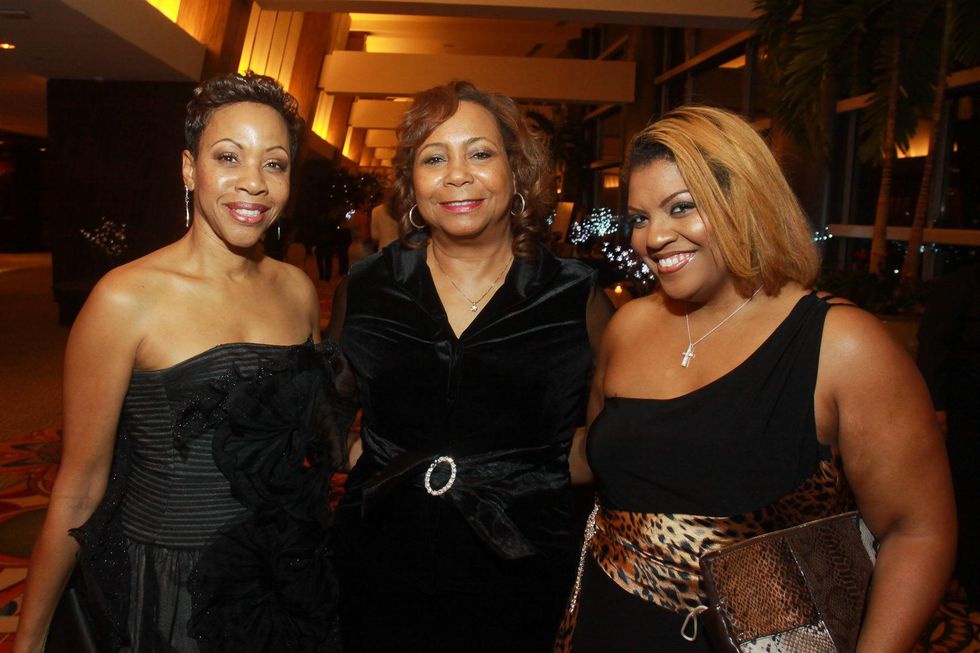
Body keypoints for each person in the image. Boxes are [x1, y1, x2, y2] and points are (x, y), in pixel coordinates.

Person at [556, 106, 956, 652]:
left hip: (769, 639)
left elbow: (918, 532)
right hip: (610, 622)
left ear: (743, 202)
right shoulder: (628, 327)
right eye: (641, 218)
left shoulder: (842, 345)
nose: (654, 238)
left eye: (681, 208)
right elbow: (592, 457)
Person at [14, 72, 352, 653]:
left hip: (284, 574)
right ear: (190, 168)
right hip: (174, 591)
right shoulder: (125, 298)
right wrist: (30, 636)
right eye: (228, 157)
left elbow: (308, 441)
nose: (253, 183)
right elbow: (79, 486)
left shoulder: (297, 290)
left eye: (274, 164)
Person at [327, 80, 613, 652]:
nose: (458, 175)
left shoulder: (576, 297)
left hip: (524, 567)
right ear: (412, 184)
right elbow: (327, 409)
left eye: (480, 153)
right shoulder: (368, 286)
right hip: (381, 563)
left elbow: (606, 440)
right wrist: (375, 458)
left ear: (516, 172)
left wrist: (526, 477)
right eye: (435, 158)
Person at [917, 262, 980, 611]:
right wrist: (937, 409)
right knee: (965, 497)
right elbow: (933, 349)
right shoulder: (959, 285)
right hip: (964, 417)